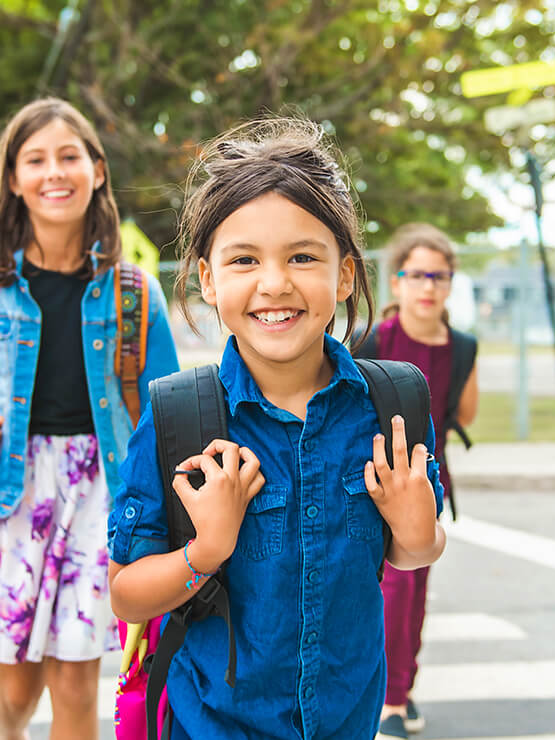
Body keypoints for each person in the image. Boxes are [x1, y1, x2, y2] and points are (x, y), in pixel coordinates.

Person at [107, 118, 447, 739]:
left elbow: (414, 551)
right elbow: (127, 594)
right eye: (244, 259)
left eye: (302, 257)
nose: (274, 283)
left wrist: (416, 524)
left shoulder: (392, 402)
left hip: (347, 720)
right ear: (208, 279)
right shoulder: (180, 415)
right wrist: (205, 550)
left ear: (344, 274)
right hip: (212, 724)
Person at [0, 97, 179, 740]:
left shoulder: (135, 291)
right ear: (15, 178)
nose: (55, 172)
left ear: (97, 171)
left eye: (69, 157)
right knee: (17, 690)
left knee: (76, 684)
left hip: (99, 490)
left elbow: (163, 407)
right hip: (7, 487)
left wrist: (166, 501)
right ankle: (8, 732)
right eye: (36, 160)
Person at [356, 223, 479, 740]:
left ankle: (399, 692)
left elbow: (464, 414)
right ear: (398, 280)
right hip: (371, 478)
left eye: (439, 275)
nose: (428, 286)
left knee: (414, 586)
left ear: (450, 284)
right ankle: (383, 695)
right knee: (386, 588)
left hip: (427, 483)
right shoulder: (375, 339)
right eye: (417, 274)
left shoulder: (464, 347)